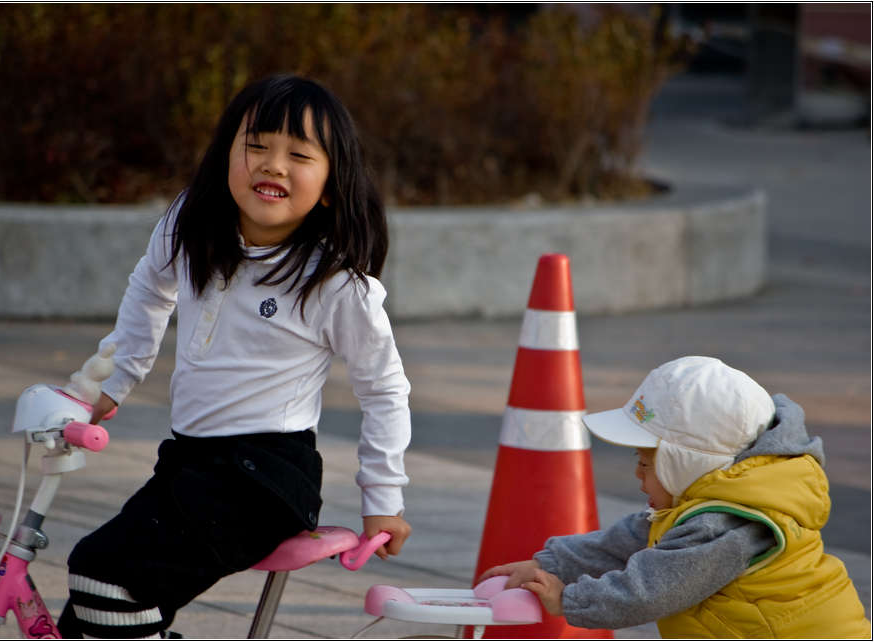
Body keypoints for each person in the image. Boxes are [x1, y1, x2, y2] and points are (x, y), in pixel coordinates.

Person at [57, 74, 412, 639]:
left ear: (328, 187)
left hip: (265, 480)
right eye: (256, 146)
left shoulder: (333, 283)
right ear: (226, 156)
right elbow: (151, 289)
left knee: (101, 571)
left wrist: (383, 499)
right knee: (86, 617)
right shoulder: (191, 225)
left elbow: (384, 389)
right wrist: (111, 382)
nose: (273, 164)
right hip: (190, 464)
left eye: (298, 154)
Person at [479, 356, 871, 638]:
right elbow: (624, 543)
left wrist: (568, 599)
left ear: (688, 464)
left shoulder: (725, 526)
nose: (637, 474)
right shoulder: (701, 509)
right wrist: (549, 563)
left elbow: (651, 589)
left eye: (648, 464)